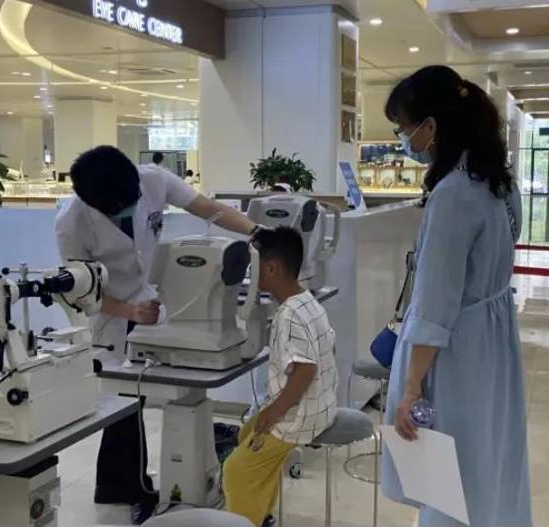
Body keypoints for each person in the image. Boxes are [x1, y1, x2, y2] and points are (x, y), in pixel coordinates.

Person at [55, 145, 260, 524]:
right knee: (123, 404)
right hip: (111, 314)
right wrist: (128, 311)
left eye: (131, 201)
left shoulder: (153, 179)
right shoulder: (71, 222)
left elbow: (208, 209)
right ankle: (124, 490)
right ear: (94, 204)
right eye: (115, 209)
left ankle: (166, 480)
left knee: (166, 390)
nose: (127, 210)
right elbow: (82, 290)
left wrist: (256, 231)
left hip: (151, 300)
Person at [381, 66, 532, 527]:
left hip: (456, 351)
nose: (404, 138)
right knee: (488, 460)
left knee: (446, 478)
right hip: (491, 341)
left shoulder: (452, 195)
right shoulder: (499, 184)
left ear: (431, 126)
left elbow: (436, 303)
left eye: (404, 127)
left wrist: (412, 387)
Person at [222, 227, 338, 527]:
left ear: (271, 268)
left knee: (235, 470)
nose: (251, 274)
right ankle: (261, 513)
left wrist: (274, 412)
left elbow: (305, 371)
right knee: (246, 434)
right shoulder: (307, 301)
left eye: (255, 266)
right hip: (320, 406)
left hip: (299, 418)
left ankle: (245, 522)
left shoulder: (288, 315)